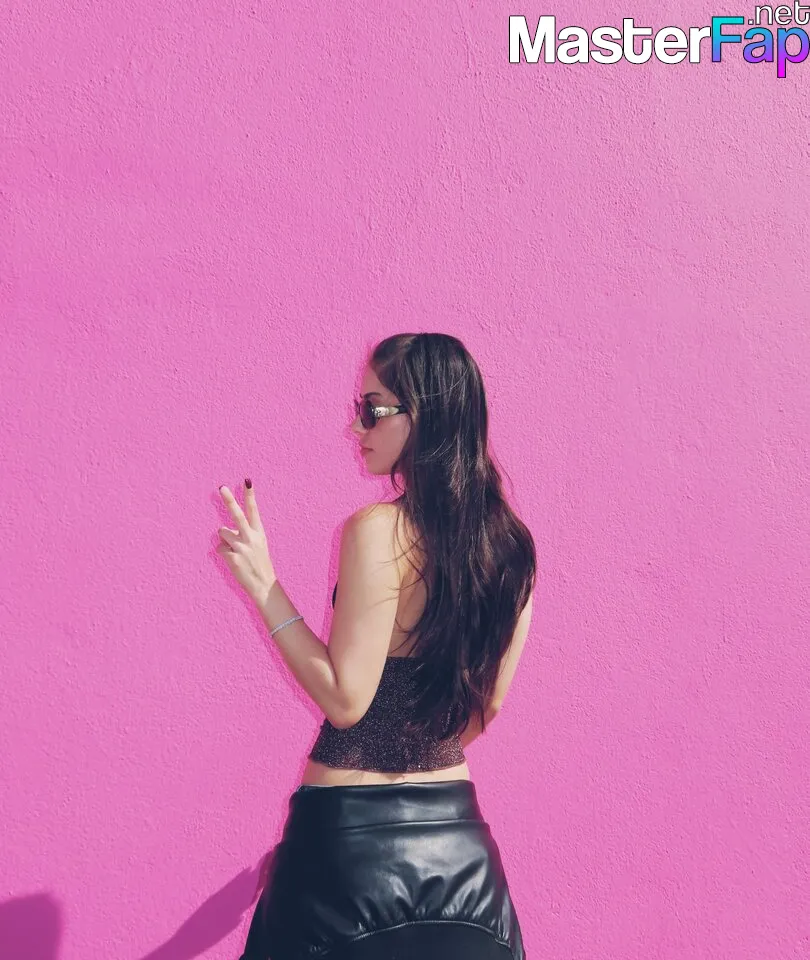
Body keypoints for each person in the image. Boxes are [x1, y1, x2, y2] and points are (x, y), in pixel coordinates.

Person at [217, 333, 536, 959]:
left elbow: (346, 701)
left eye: (372, 409)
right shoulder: (510, 545)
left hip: (349, 850)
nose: (356, 427)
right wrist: (413, 749)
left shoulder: (378, 529)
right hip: (463, 856)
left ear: (426, 414)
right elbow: (487, 707)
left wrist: (264, 586)